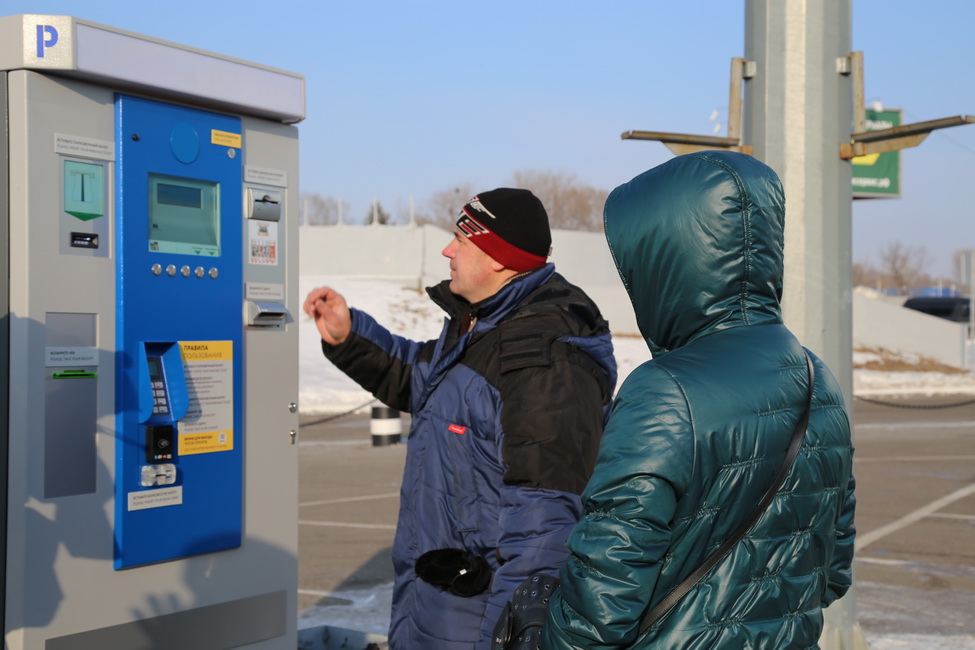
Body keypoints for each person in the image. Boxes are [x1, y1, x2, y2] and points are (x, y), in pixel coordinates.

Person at [541, 151, 857, 649]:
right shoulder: (820, 377)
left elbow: (603, 595)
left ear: (664, 260)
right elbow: (833, 571)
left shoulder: (665, 389)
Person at [303, 188, 617, 650]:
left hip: (477, 625)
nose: (449, 250)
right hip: (432, 607)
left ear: (497, 258)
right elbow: (420, 379)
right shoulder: (480, 327)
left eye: (463, 239)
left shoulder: (542, 361)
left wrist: (514, 638)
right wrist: (350, 336)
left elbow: (543, 532)